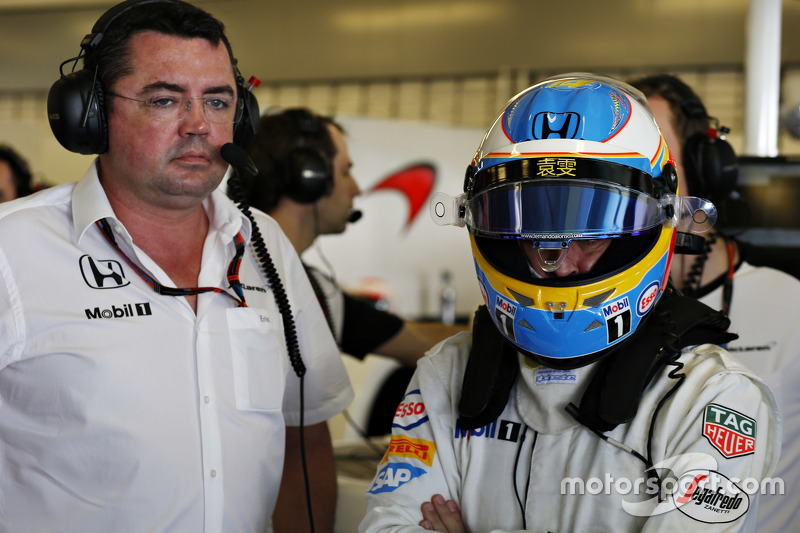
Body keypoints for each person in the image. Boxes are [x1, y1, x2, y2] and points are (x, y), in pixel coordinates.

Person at [359, 73, 780, 532]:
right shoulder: (447, 372)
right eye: (530, 231)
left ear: (645, 230)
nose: (559, 262)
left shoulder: (715, 398)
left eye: (592, 233)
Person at [0, 1, 352, 532]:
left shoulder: (264, 246)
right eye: (164, 100)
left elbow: (305, 431)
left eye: (217, 101)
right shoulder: (11, 249)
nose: (199, 126)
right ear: (91, 115)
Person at [630, 72, 800, 532]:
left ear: (705, 170)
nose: (632, 173)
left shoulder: (791, 305)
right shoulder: (583, 309)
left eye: (650, 148)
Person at [242, 108, 467, 434]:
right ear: (309, 176)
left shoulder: (314, 290)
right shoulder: (229, 278)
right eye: (346, 171)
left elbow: (413, 340)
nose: (357, 189)